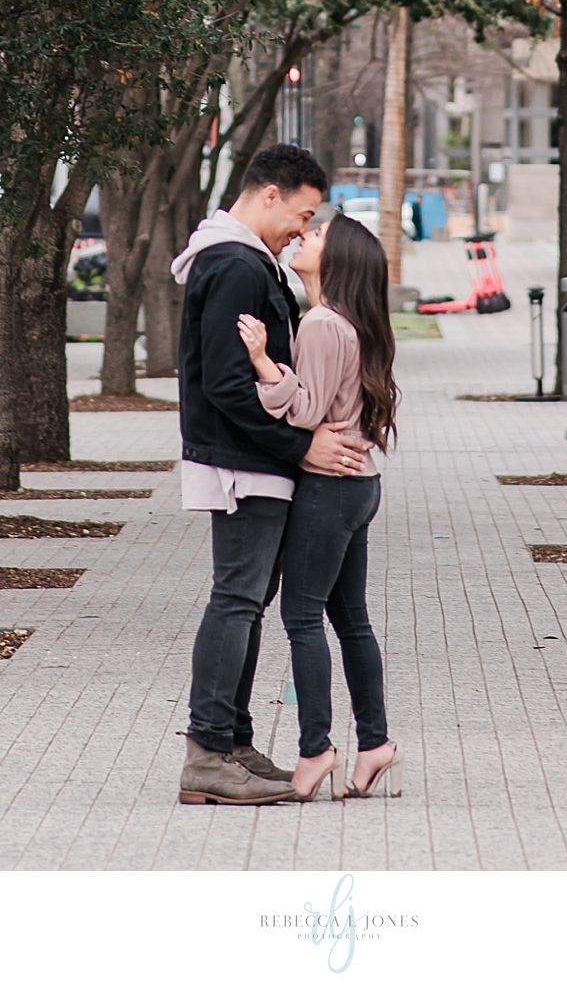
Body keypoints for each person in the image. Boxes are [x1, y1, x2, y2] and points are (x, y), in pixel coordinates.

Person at [172, 144, 368, 808]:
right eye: (303, 214)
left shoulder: (244, 259)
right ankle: (208, 753)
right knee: (237, 600)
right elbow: (226, 384)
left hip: (252, 461)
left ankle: (230, 743)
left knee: (245, 604)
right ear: (270, 194)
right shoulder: (233, 262)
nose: (301, 230)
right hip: (242, 464)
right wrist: (299, 447)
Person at [238, 209, 400, 802]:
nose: (305, 234)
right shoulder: (340, 321)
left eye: (319, 234)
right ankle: (376, 742)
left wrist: (261, 363)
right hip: (357, 485)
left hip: (331, 489)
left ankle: (316, 750)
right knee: (349, 618)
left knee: (302, 616)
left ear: (337, 261)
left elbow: (305, 413)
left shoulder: (323, 325)